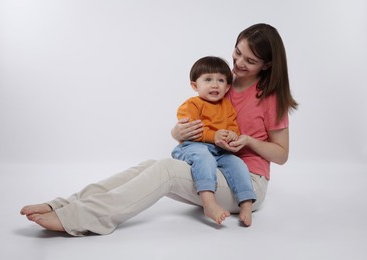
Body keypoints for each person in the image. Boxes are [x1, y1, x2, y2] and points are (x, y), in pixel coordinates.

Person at [20, 23, 298, 236]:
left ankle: (80, 219)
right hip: (211, 166)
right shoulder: (222, 83)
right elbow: (197, 127)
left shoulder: (270, 98)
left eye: (249, 61)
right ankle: (64, 205)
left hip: (246, 182)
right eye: (237, 53)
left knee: (165, 170)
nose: (238, 63)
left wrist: (248, 140)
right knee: (149, 166)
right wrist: (178, 133)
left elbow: (281, 154)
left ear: (267, 64)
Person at [171, 56, 256, 226]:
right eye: (208, 79)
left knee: (238, 164)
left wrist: (232, 135)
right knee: (204, 157)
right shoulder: (192, 105)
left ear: (227, 87)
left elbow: (234, 128)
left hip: (220, 151)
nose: (215, 84)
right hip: (194, 146)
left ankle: (246, 204)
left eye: (221, 80)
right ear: (195, 85)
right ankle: (209, 203)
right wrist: (214, 136)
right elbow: (192, 130)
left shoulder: (227, 106)